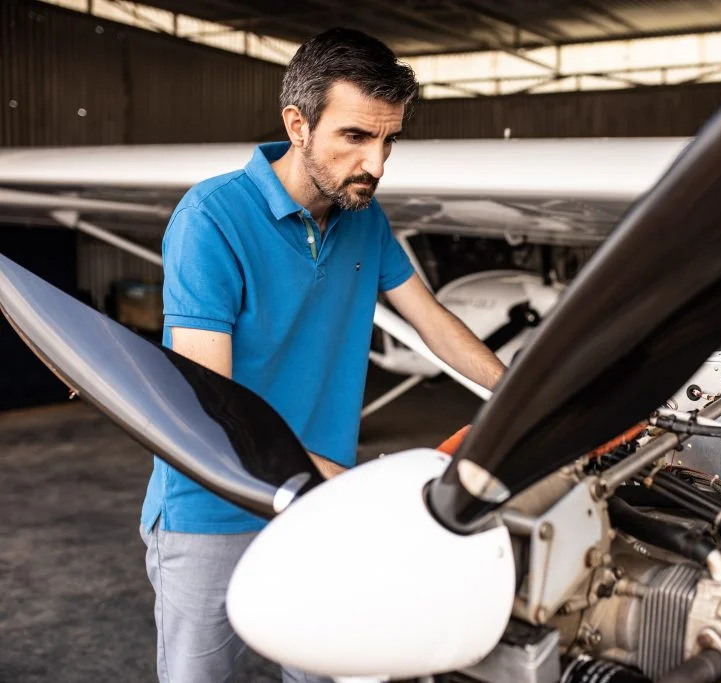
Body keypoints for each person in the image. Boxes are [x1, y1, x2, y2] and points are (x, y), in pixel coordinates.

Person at [138, 27, 507, 683]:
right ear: (297, 124)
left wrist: (524, 395)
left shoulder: (365, 215)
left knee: (328, 671)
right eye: (356, 137)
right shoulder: (211, 218)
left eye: (389, 140)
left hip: (318, 506)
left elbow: (434, 323)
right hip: (211, 504)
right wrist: (352, 487)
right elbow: (213, 402)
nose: (378, 164)